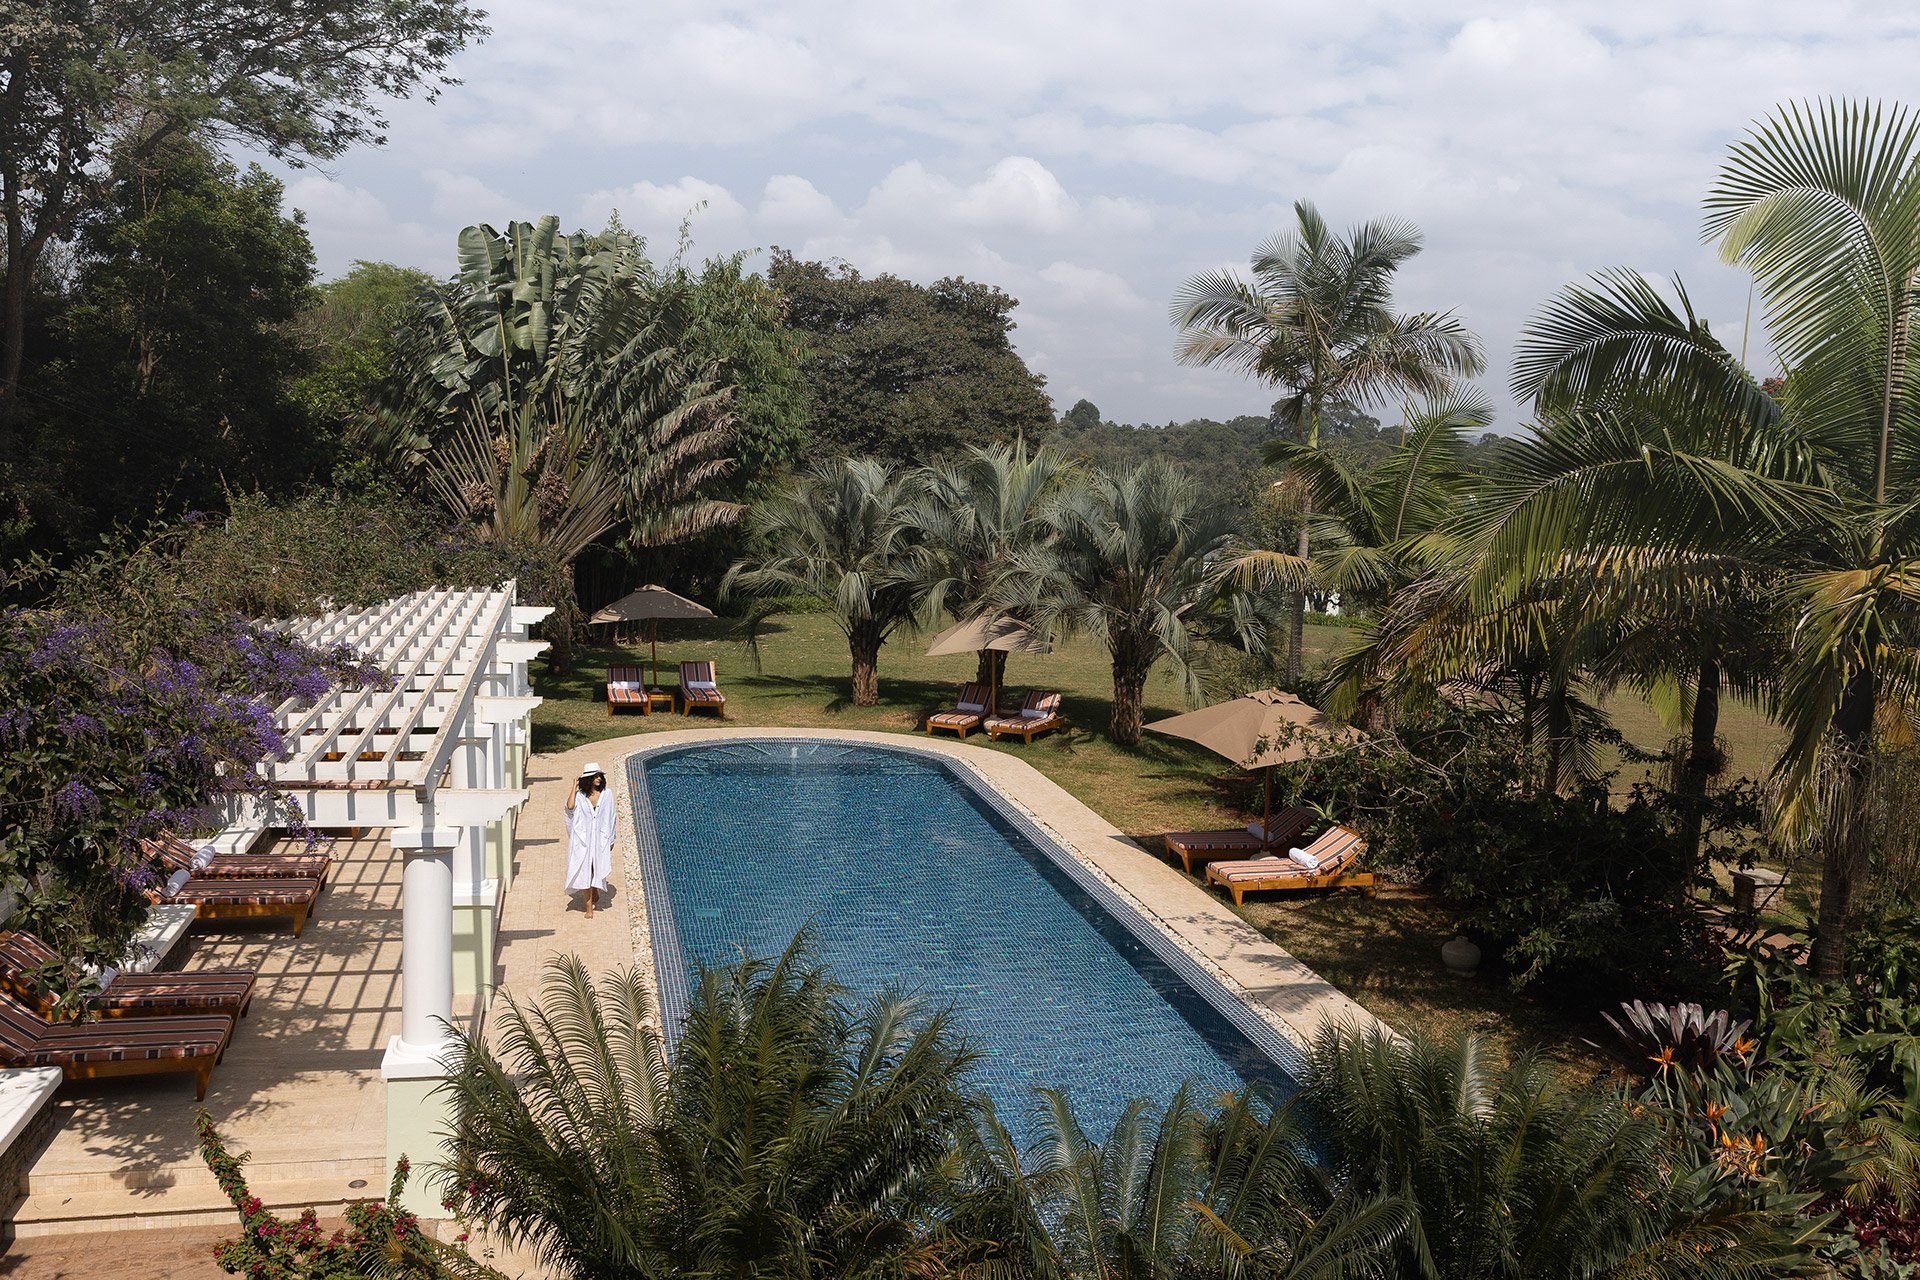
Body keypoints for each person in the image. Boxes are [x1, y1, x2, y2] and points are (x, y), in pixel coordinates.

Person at [564, 762, 616, 918]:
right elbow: (570, 807)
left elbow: (611, 817)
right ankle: (589, 908)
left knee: (596, 867)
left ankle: (595, 889)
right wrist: (574, 786)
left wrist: (612, 838)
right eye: (595, 776)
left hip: (600, 838)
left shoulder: (607, 794)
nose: (599, 778)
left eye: (600, 776)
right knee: (584, 869)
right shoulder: (580, 796)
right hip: (583, 840)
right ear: (588, 779)